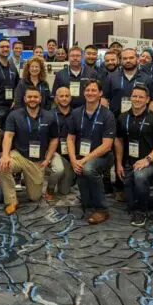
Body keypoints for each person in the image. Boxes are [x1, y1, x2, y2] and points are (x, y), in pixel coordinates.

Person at [0, 87, 61, 215]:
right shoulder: (14, 115)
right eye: (30, 97)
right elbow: (8, 135)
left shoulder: (50, 116)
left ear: (40, 99)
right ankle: (11, 201)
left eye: (35, 97)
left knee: (35, 197)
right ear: (25, 99)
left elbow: (54, 139)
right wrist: (5, 155)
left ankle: (26, 179)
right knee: (2, 166)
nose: (33, 99)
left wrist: (48, 159)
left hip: (37, 161)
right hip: (19, 155)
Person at [114, 85, 153, 227]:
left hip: (149, 162)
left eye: (141, 97)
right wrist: (119, 163)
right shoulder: (122, 117)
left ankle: (142, 212)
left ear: (147, 99)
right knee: (131, 203)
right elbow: (118, 141)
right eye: (134, 96)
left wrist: (147, 159)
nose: (137, 99)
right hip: (128, 162)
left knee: (140, 176)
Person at [67, 80, 116, 224]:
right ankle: (88, 204)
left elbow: (107, 146)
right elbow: (70, 139)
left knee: (88, 168)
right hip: (81, 156)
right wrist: (73, 160)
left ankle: (102, 209)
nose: (90, 93)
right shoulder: (76, 113)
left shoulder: (107, 115)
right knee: (80, 169)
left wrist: (83, 160)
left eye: (94, 90)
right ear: (83, 92)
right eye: (87, 90)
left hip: (103, 156)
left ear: (100, 93)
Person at [103, 48, 153, 117]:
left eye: (131, 58)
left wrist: (150, 119)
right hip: (115, 119)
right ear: (120, 60)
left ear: (137, 59)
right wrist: (104, 117)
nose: (128, 61)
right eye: (125, 58)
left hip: (140, 121)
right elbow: (104, 98)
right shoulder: (111, 77)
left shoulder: (147, 79)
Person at [51, 86, 75, 199]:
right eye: (61, 96)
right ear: (56, 99)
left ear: (70, 98)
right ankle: (49, 189)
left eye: (67, 96)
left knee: (64, 191)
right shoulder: (49, 115)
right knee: (58, 169)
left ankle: (68, 177)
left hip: (71, 153)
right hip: (54, 152)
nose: (64, 98)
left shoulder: (77, 114)